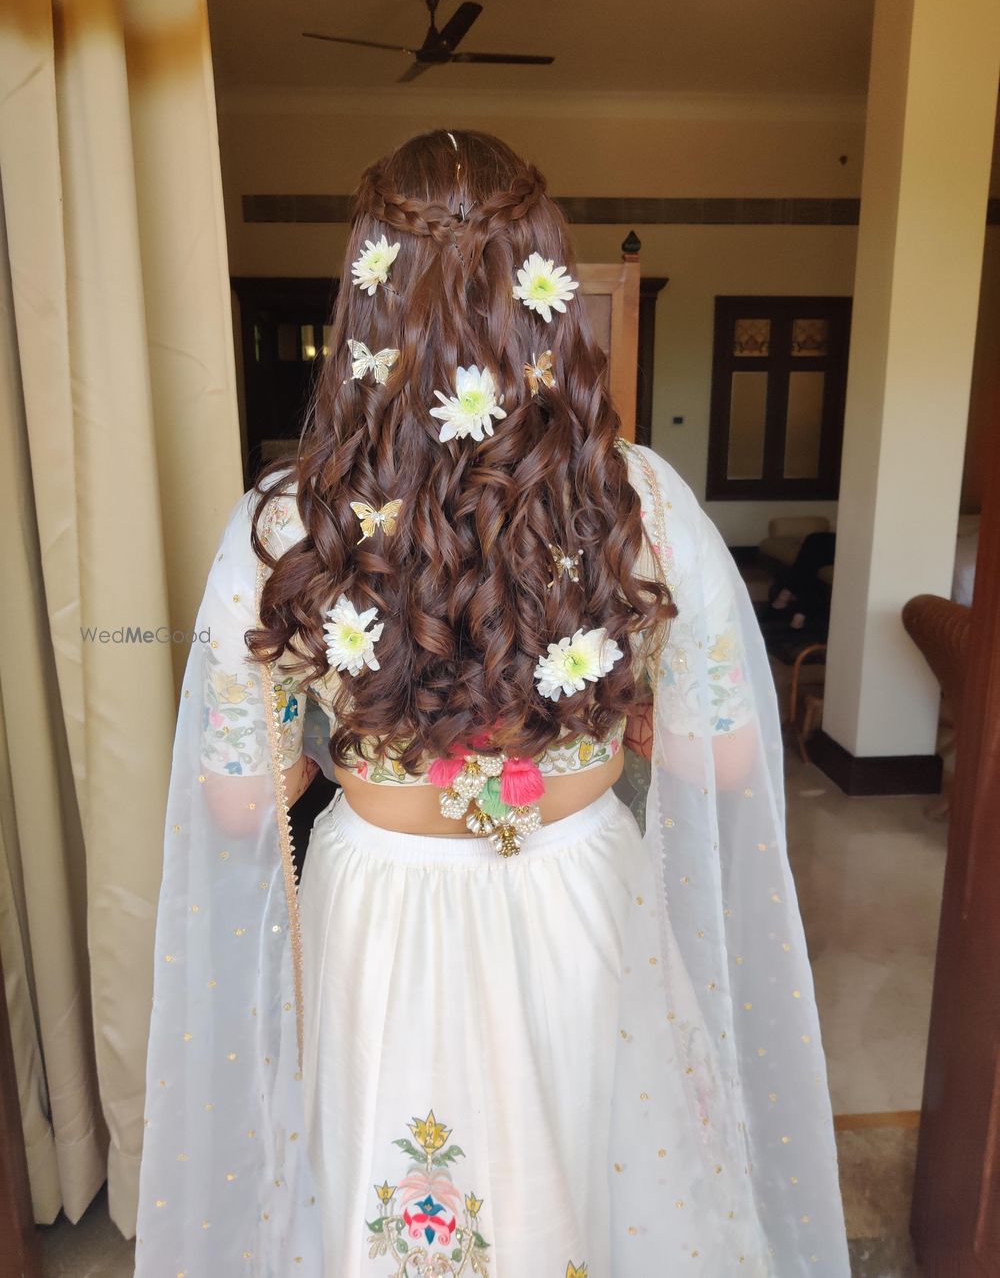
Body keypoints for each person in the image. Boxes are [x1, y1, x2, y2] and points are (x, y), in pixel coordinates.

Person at [133, 130, 850, 1276]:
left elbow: (231, 805)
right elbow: (723, 767)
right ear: (545, 298)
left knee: (407, 1206)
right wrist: (623, 720)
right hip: (580, 894)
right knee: (590, 1188)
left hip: (383, 909)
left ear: (364, 303)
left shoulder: (285, 520)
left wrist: (326, 745)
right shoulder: (637, 498)